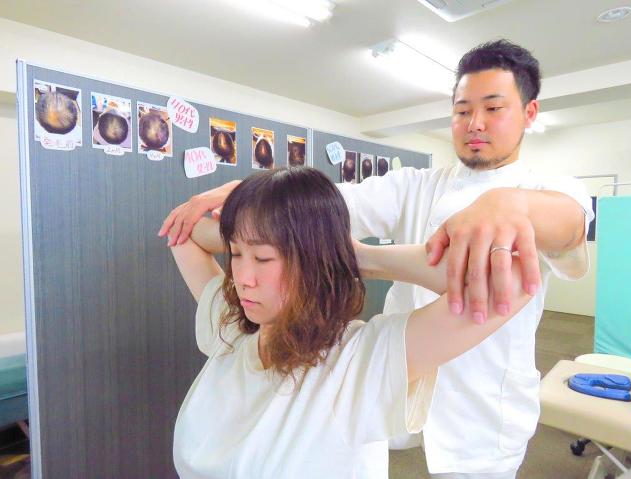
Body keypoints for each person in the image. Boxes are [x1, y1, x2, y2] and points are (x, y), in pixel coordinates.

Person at [159, 40, 594, 478]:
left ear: (530, 113)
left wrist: (509, 202)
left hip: (478, 409)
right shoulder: (414, 186)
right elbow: (315, 212)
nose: (474, 123)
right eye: (462, 110)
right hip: (391, 386)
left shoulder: (550, 190)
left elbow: (569, 227)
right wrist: (249, 197)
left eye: (493, 108)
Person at [166, 167, 532, 479]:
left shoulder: (358, 363)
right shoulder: (232, 327)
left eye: (263, 258)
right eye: (234, 253)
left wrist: (351, 257)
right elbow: (183, 234)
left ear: (314, 261)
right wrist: (247, 225)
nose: (242, 278)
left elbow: (512, 280)